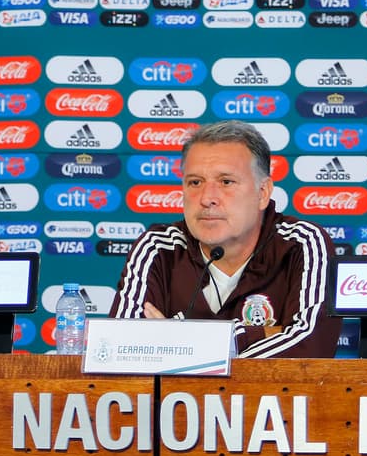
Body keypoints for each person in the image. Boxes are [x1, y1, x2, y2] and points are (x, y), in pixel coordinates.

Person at [110, 119, 342, 357]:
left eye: (226, 182)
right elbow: (122, 347)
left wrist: (178, 343)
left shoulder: (302, 243)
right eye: (195, 182)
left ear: (262, 193)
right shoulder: (158, 246)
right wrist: (260, 333)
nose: (207, 198)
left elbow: (311, 347)